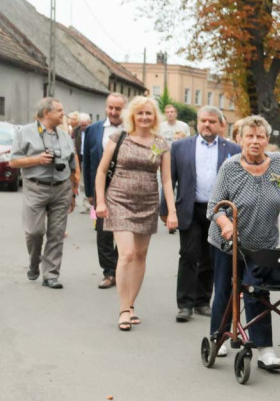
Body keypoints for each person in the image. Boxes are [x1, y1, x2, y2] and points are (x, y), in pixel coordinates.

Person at [206, 115, 280, 368]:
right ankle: (219, 336)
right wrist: (225, 224)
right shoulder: (230, 167)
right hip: (228, 243)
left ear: (267, 140)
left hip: (263, 246)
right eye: (249, 136)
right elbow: (214, 206)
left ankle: (264, 349)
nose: (254, 141)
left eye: (260, 136)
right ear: (239, 139)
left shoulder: (278, 163)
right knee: (225, 290)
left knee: (258, 292)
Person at [94, 96, 176, 330]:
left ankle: (131, 305)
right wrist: (100, 202)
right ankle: (122, 310)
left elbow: (167, 180)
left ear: (155, 117)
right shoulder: (119, 138)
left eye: (149, 113)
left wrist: (171, 211)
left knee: (140, 255)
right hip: (119, 200)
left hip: (147, 202)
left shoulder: (160, 143)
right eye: (140, 113)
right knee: (127, 253)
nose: (144, 117)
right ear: (132, 116)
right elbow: (101, 172)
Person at [160, 106, 240, 322]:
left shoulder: (233, 149)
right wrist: (166, 210)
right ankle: (185, 304)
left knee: (210, 257)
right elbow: (169, 180)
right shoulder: (180, 147)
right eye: (203, 120)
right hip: (190, 208)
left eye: (212, 121)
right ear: (197, 122)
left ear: (220, 125)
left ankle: (202, 301)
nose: (207, 125)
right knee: (188, 255)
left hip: (219, 211)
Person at [10, 97, 78, 289]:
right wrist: (37, 159)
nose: (63, 114)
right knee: (34, 232)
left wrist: (73, 192)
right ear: (46, 113)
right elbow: (13, 161)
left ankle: (51, 275)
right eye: (59, 110)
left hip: (61, 188)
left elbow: (72, 165)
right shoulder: (25, 132)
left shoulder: (65, 135)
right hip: (35, 187)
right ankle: (34, 262)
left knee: (57, 234)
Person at [83, 93, 126, 289]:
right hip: (101, 186)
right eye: (110, 107)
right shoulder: (93, 129)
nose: (114, 112)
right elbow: (88, 161)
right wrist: (89, 192)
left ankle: (120, 267)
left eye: (118, 108)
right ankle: (109, 272)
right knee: (103, 231)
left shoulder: (132, 129)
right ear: (106, 107)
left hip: (127, 187)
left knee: (125, 229)